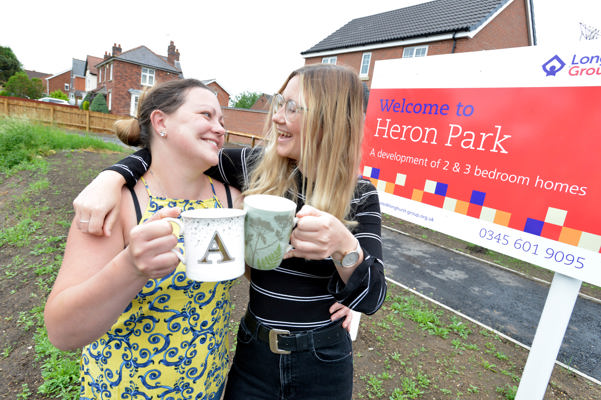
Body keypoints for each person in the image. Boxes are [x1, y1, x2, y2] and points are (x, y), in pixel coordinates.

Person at [72, 64, 387, 399]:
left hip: (323, 359)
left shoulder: (360, 195)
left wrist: (345, 249)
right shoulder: (256, 167)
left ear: (331, 117)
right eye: (280, 103)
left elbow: (372, 298)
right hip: (255, 352)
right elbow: (173, 150)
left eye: (292, 108)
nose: (277, 117)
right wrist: (112, 177)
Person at [44, 79, 241, 399]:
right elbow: (62, 332)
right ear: (161, 122)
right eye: (206, 115)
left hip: (209, 385)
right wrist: (130, 267)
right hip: (123, 390)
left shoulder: (233, 200)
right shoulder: (115, 204)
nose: (219, 129)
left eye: (222, 121)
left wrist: (346, 292)